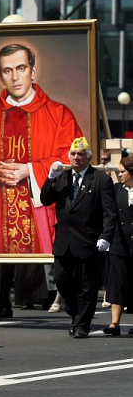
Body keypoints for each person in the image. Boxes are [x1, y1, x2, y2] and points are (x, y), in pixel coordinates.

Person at [0, 43, 84, 254]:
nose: (15, 77)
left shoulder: (59, 114)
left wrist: (30, 170)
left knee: (42, 281)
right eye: (8, 71)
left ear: (32, 71)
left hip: (43, 214)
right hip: (2, 215)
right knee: (3, 281)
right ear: (0, 77)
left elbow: (75, 158)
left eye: (21, 68)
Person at [40, 137, 116, 338]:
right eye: (73, 154)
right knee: (61, 279)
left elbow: (110, 212)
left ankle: (82, 325)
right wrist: (50, 178)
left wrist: (106, 236)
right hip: (65, 241)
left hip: (89, 241)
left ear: (88, 157)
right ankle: (75, 313)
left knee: (88, 285)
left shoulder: (101, 180)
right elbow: (45, 199)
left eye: (80, 154)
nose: (76, 158)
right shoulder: (63, 177)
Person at [102, 156, 133, 335]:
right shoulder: (116, 189)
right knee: (117, 281)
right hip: (119, 242)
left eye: (122, 172)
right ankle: (114, 323)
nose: (120, 175)